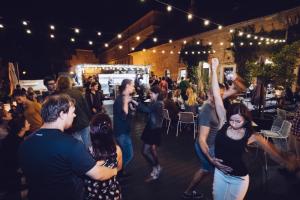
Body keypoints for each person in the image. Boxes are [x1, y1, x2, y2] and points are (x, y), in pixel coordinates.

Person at [211, 58, 295, 200]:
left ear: (245, 120)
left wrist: (286, 161)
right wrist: (214, 70)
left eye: (238, 121)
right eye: (231, 120)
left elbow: (271, 150)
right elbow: (216, 96)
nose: (233, 123)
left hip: (239, 179)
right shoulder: (224, 122)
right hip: (219, 174)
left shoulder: (251, 136)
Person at [18, 95, 118, 200]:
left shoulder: (25, 143)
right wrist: (114, 171)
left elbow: (52, 167)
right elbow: (98, 174)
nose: (74, 115)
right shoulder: (71, 145)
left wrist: (87, 164)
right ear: (62, 114)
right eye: (72, 112)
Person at [84, 113, 122, 200]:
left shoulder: (86, 154)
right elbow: (119, 168)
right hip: (112, 193)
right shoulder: (117, 150)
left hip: (93, 195)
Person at [131, 86, 164, 181]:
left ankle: (155, 170)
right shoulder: (156, 102)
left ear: (157, 93)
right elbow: (148, 111)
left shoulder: (158, 103)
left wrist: (134, 102)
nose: (150, 94)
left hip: (153, 130)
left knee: (145, 151)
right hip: (153, 128)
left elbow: (146, 110)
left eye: (152, 93)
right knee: (152, 150)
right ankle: (157, 167)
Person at [0, 108, 29, 200]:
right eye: (7, 114)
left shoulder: (8, 132)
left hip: (8, 171)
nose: (9, 114)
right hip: (7, 173)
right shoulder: (3, 134)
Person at [56, 76, 92, 149]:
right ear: (69, 82)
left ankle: (82, 159)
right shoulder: (78, 93)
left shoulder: (58, 96)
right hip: (84, 122)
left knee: (78, 146)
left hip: (71, 126)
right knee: (88, 145)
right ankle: (90, 159)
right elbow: (86, 108)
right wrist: (90, 119)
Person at [113, 79, 135, 173]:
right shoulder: (120, 99)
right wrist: (126, 103)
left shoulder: (125, 98)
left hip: (124, 131)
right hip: (121, 132)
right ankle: (117, 171)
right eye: (132, 85)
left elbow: (128, 114)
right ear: (127, 86)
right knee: (129, 154)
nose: (133, 87)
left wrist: (131, 107)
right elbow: (123, 117)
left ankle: (120, 171)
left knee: (123, 153)